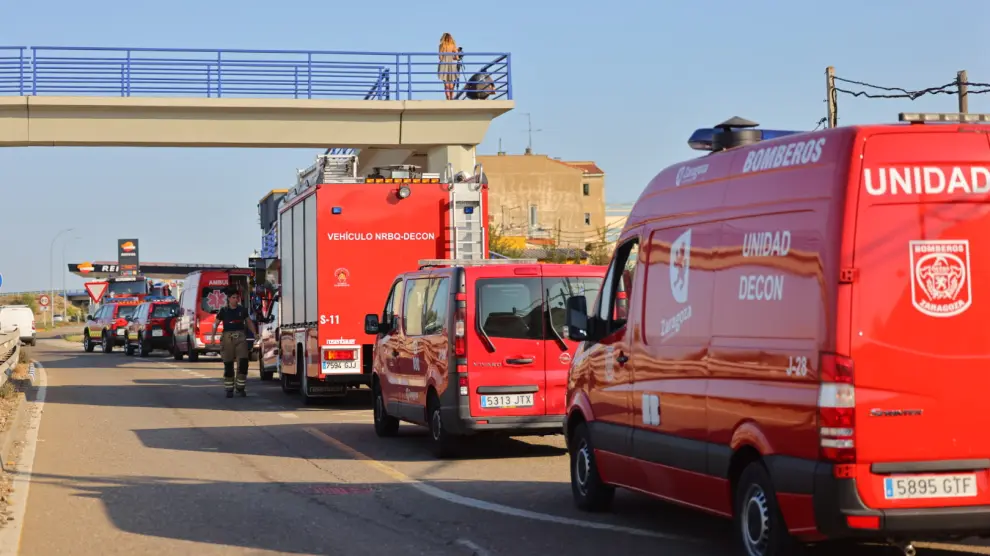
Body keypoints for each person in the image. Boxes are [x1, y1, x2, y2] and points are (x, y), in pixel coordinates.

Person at [211, 288, 257, 398]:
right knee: (228, 364)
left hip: (240, 337)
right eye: (233, 297)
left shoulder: (242, 310)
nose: (236, 300)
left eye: (237, 297)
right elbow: (215, 324)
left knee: (243, 362)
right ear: (229, 299)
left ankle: (240, 388)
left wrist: (255, 333)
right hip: (227, 338)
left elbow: (249, 322)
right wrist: (213, 336)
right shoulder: (223, 311)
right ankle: (229, 389)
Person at [437, 33, 459, 100]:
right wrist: (453, 57)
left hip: (444, 64)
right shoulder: (453, 46)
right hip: (451, 65)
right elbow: (457, 57)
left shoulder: (441, 46)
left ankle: (448, 97)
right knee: (451, 83)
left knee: (446, 83)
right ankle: (451, 97)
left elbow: (440, 57)